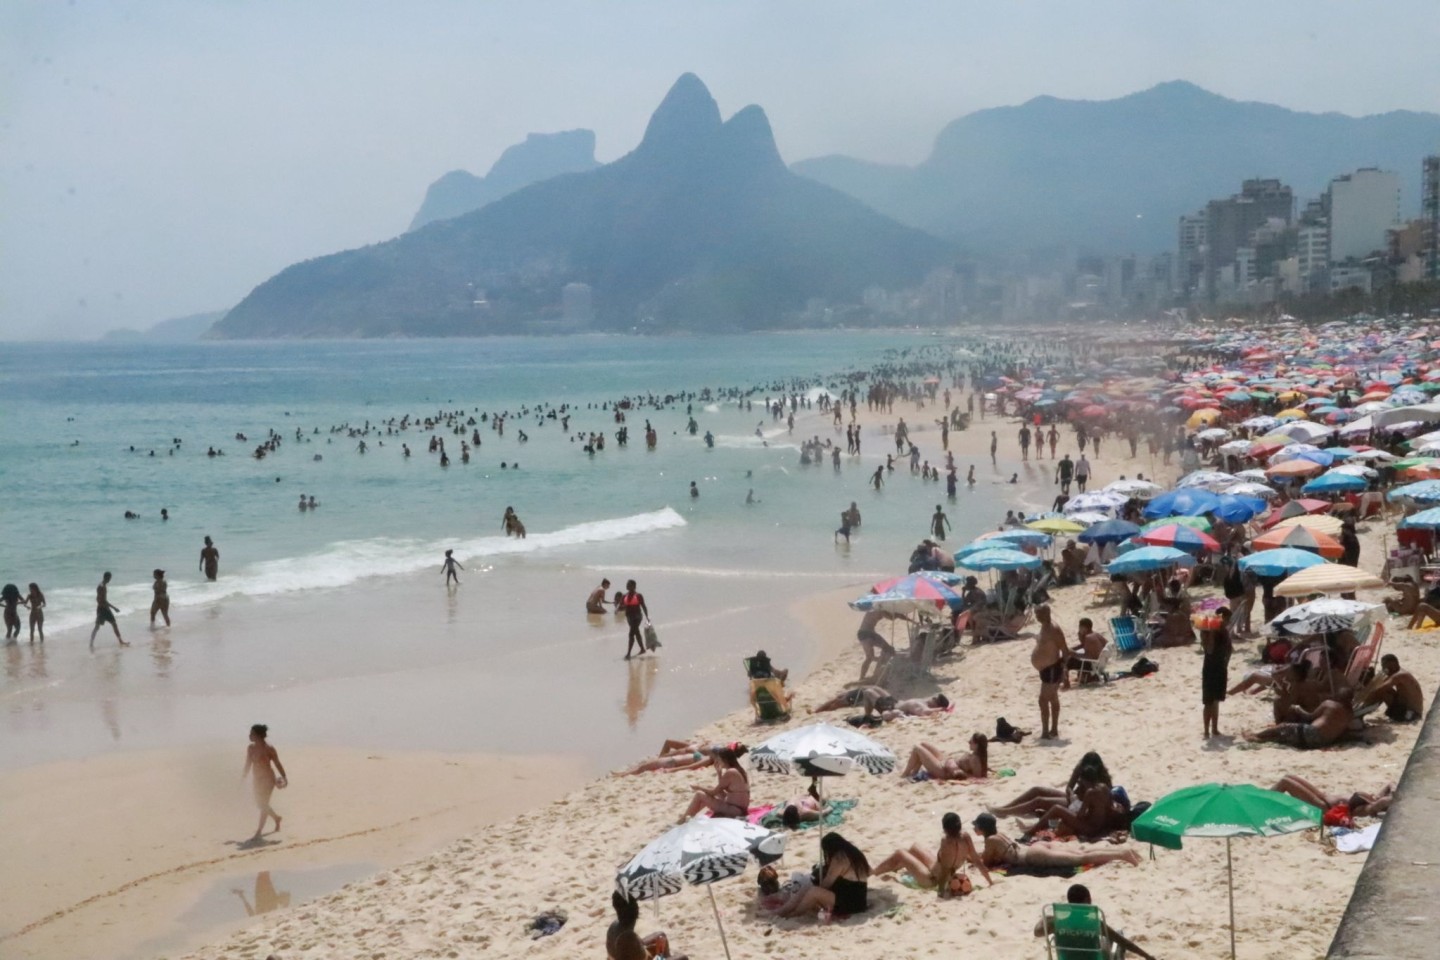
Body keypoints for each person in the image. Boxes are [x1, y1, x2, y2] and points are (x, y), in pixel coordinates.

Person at [873, 812, 993, 895]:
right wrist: (990, 881)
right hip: (937, 869)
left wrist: (940, 892)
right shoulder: (966, 837)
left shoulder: (946, 842)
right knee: (914, 848)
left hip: (932, 880)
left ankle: (874, 872)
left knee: (900, 853)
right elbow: (977, 861)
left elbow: (945, 868)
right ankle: (895, 866)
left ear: (945, 829)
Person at [1033, 883, 1158, 960]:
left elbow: (1037, 932)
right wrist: (1146, 956)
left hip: (1068, 957)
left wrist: (1048, 917)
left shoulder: (1057, 923)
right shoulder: (1095, 924)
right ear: (1088, 900)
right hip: (1093, 958)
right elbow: (1124, 943)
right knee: (1117, 937)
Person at [974, 814, 1141, 870]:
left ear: (982, 828)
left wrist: (972, 859)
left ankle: (1122, 854)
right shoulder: (999, 834)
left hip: (1032, 855)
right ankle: (1123, 851)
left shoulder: (990, 840)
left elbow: (986, 863)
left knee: (1080, 859)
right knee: (1080, 853)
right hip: (1035, 847)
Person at [775, 832, 870, 918]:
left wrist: (814, 888)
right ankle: (785, 910)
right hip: (858, 901)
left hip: (849, 903)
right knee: (811, 889)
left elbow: (827, 883)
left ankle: (793, 914)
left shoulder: (839, 859)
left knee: (813, 892)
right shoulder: (854, 853)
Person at [1247, 689, 1354, 749]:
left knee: (1282, 727)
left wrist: (1298, 709)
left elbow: (1310, 716)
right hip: (1323, 742)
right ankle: (1262, 738)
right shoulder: (1349, 714)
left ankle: (1257, 735)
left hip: (1311, 733)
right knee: (1284, 736)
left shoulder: (1329, 704)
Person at [678, 745, 750, 821]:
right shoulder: (739, 770)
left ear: (724, 760)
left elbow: (713, 792)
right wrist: (719, 773)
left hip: (733, 810)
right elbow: (721, 788)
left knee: (699, 794)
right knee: (709, 788)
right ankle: (690, 814)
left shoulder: (731, 772)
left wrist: (698, 787)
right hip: (738, 808)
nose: (718, 762)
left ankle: (683, 820)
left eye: (719, 760)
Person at [242, 723, 287, 841]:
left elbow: (277, 763)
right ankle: (277, 818)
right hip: (257, 779)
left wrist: (284, 777)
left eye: (252, 733)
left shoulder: (269, 748)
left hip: (268, 779)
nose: (249, 735)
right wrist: (243, 777)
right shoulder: (250, 748)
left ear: (258, 735)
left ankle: (259, 832)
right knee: (260, 804)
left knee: (263, 804)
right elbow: (248, 764)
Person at [1271, 775, 1395, 818]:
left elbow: (1386, 801)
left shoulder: (1369, 808)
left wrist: (1395, 798)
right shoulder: (1374, 799)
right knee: (1288, 777)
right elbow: (1390, 784)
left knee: (1285, 782)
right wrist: (1394, 790)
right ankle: (1263, 798)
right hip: (1322, 796)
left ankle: (1262, 802)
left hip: (1322, 806)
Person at [1032, 605, 1067, 739]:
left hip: (1052, 668)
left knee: (1043, 700)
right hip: (1045, 669)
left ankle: (1046, 732)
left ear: (1046, 613)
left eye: (1038, 614)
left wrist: (1064, 672)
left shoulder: (1054, 629)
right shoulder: (1044, 627)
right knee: (1052, 698)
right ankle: (1053, 730)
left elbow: (1064, 650)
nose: (1037, 617)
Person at [1360, 654, 1425, 722]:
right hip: (1410, 711)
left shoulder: (1400, 675)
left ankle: (1362, 712)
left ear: (1394, 665)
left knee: (1381, 692)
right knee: (1386, 691)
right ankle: (1364, 709)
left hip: (1411, 714)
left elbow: (1380, 689)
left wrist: (1365, 692)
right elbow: (1383, 683)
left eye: (1386, 667)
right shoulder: (1399, 672)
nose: (1385, 670)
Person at [900, 733, 988, 782]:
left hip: (942, 770)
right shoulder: (977, 756)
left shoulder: (975, 759)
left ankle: (905, 774)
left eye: (971, 742)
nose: (968, 742)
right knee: (923, 744)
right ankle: (914, 772)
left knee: (917, 749)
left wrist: (957, 772)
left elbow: (977, 778)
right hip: (944, 762)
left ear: (977, 745)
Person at [1201, 606, 1233, 738]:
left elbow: (1230, 649)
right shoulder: (1207, 631)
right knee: (1209, 701)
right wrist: (1213, 633)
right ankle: (1207, 730)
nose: (1228, 623)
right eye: (1227, 620)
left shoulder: (1224, 631)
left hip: (1218, 667)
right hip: (1211, 667)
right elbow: (1209, 649)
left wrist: (1225, 663)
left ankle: (1213, 729)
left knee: (1215, 701)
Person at [855, 608, 904, 680]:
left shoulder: (872, 609)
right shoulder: (880, 609)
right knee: (889, 649)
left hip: (861, 634)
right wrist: (899, 614)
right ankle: (886, 668)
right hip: (869, 633)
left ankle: (861, 677)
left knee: (869, 658)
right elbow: (891, 618)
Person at [1065, 617, 1108, 685]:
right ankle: (1083, 676)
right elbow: (1106, 644)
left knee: (1068, 660)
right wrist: (1072, 649)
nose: (1079, 629)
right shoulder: (1096, 634)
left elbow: (1087, 656)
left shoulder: (1088, 638)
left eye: (1080, 627)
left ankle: (1066, 683)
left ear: (1084, 628)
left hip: (1092, 665)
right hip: (1100, 663)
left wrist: (1074, 654)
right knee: (1072, 656)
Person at [89, 571, 126, 648]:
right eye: (109, 578)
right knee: (97, 627)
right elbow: (101, 600)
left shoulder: (103, 586)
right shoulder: (101, 587)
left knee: (114, 624)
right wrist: (114, 608)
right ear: (106, 577)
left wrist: (109, 607)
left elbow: (101, 599)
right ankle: (91, 643)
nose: (110, 580)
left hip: (106, 608)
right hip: (102, 609)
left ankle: (120, 641)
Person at [619, 579, 650, 660]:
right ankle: (642, 649)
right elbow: (621, 606)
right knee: (636, 632)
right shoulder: (624, 596)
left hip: (637, 617)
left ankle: (628, 653)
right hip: (629, 617)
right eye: (627, 584)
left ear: (634, 586)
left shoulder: (638, 596)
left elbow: (643, 606)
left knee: (631, 634)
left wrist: (647, 617)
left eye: (629, 584)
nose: (627, 585)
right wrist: (618, 609)